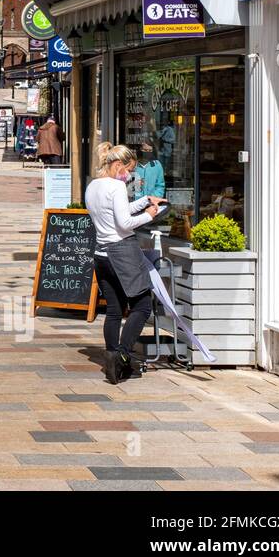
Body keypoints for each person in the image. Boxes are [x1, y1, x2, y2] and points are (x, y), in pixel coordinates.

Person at [84, 142, 167, 383]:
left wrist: (143, 202)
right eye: (128, 170)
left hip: (101, 254)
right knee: (142, 306)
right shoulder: (117, 186)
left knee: (113, 310)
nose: (130, 175)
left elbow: (115, 212)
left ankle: (112, 360)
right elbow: (124, 223)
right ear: (117, 164)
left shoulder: (93, 186)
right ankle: (122, 355)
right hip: (122, 253)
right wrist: (149, 215)